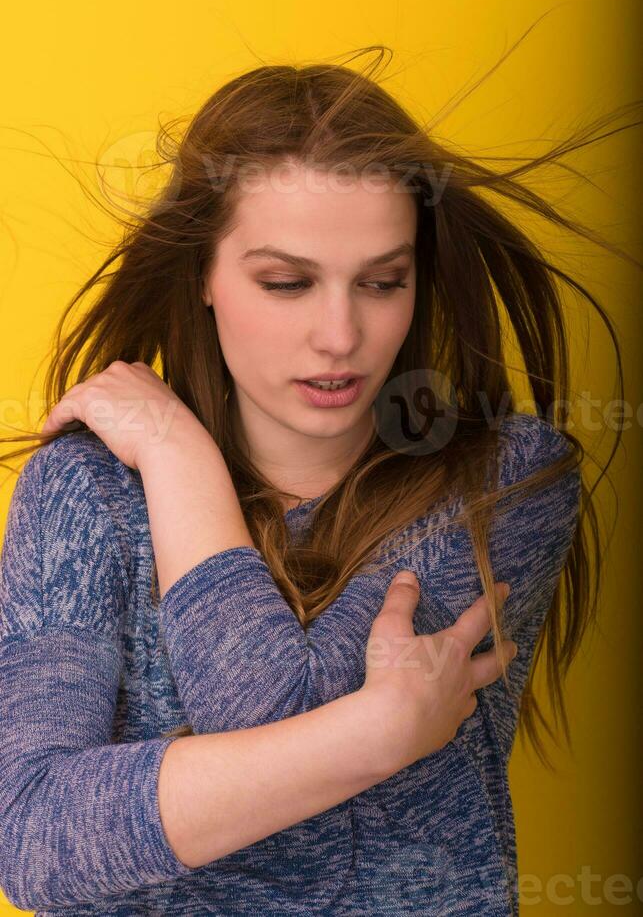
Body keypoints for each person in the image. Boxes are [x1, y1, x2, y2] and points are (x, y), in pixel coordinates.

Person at [0, 45, 631, 915]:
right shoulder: (87, 491)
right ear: (203, 277)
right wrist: (380, 733)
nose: (340, 335)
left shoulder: (501, 482)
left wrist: (179, 463)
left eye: (381, 282)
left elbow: (266, 705)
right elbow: (34, 839)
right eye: (287, 282)